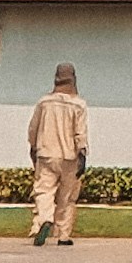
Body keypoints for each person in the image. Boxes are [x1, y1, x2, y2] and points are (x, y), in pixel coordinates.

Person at [26, 64, 88, 248]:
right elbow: (81, 132)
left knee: (44, 190)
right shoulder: (79, 104)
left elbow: (33, 128)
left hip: (46, 154)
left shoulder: (44, 102)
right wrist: (82, 153)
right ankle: (63, 234)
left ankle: (45, 218)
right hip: (69, 156)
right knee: (67, 196)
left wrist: (33, 146)